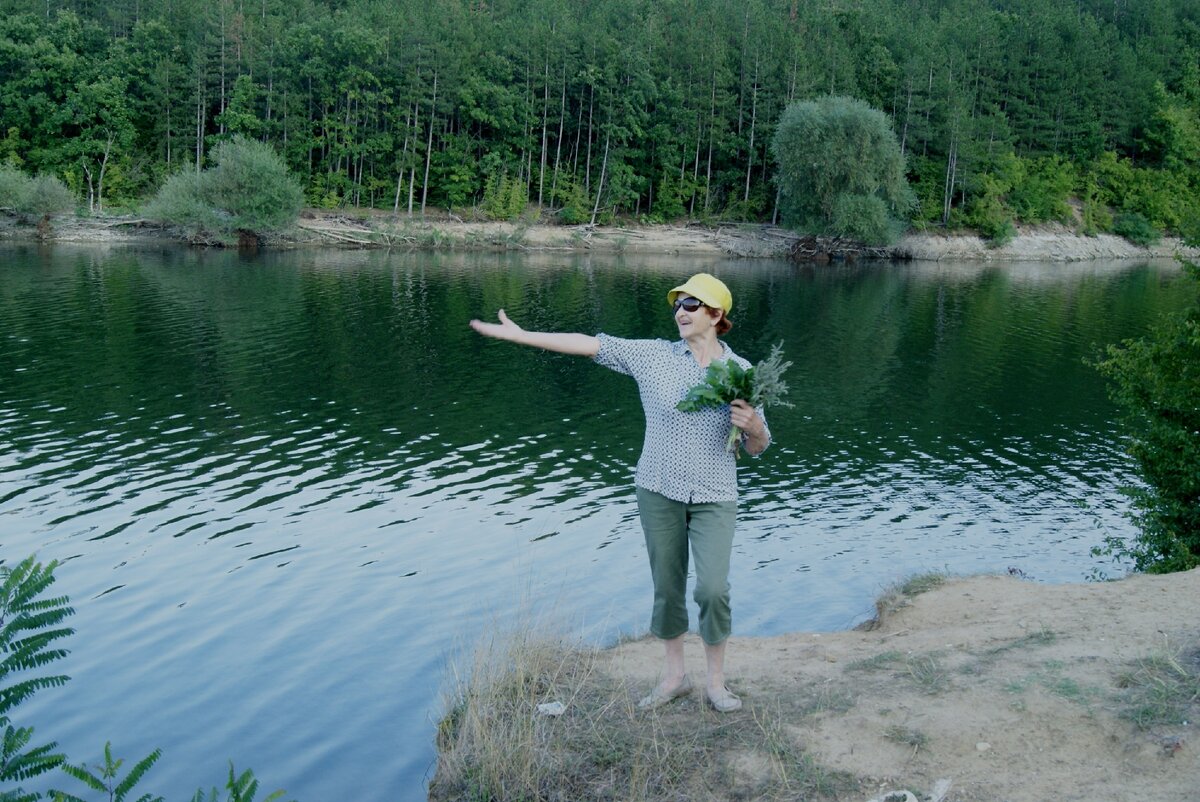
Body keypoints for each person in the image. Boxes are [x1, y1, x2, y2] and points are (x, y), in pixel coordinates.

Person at [468, 273, 769, 712]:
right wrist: (523, 336)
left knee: (712, 590)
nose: (679, 313)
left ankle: (716, 684)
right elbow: (589, 344)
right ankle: (673, 678)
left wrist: (753, 428)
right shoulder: (652, 357)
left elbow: (758, 448)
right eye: (676, 305)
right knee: (667, 587)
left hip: (715, 494)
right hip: (658, 489)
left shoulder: (741, 373)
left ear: (716, 315)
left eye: (690, 304)